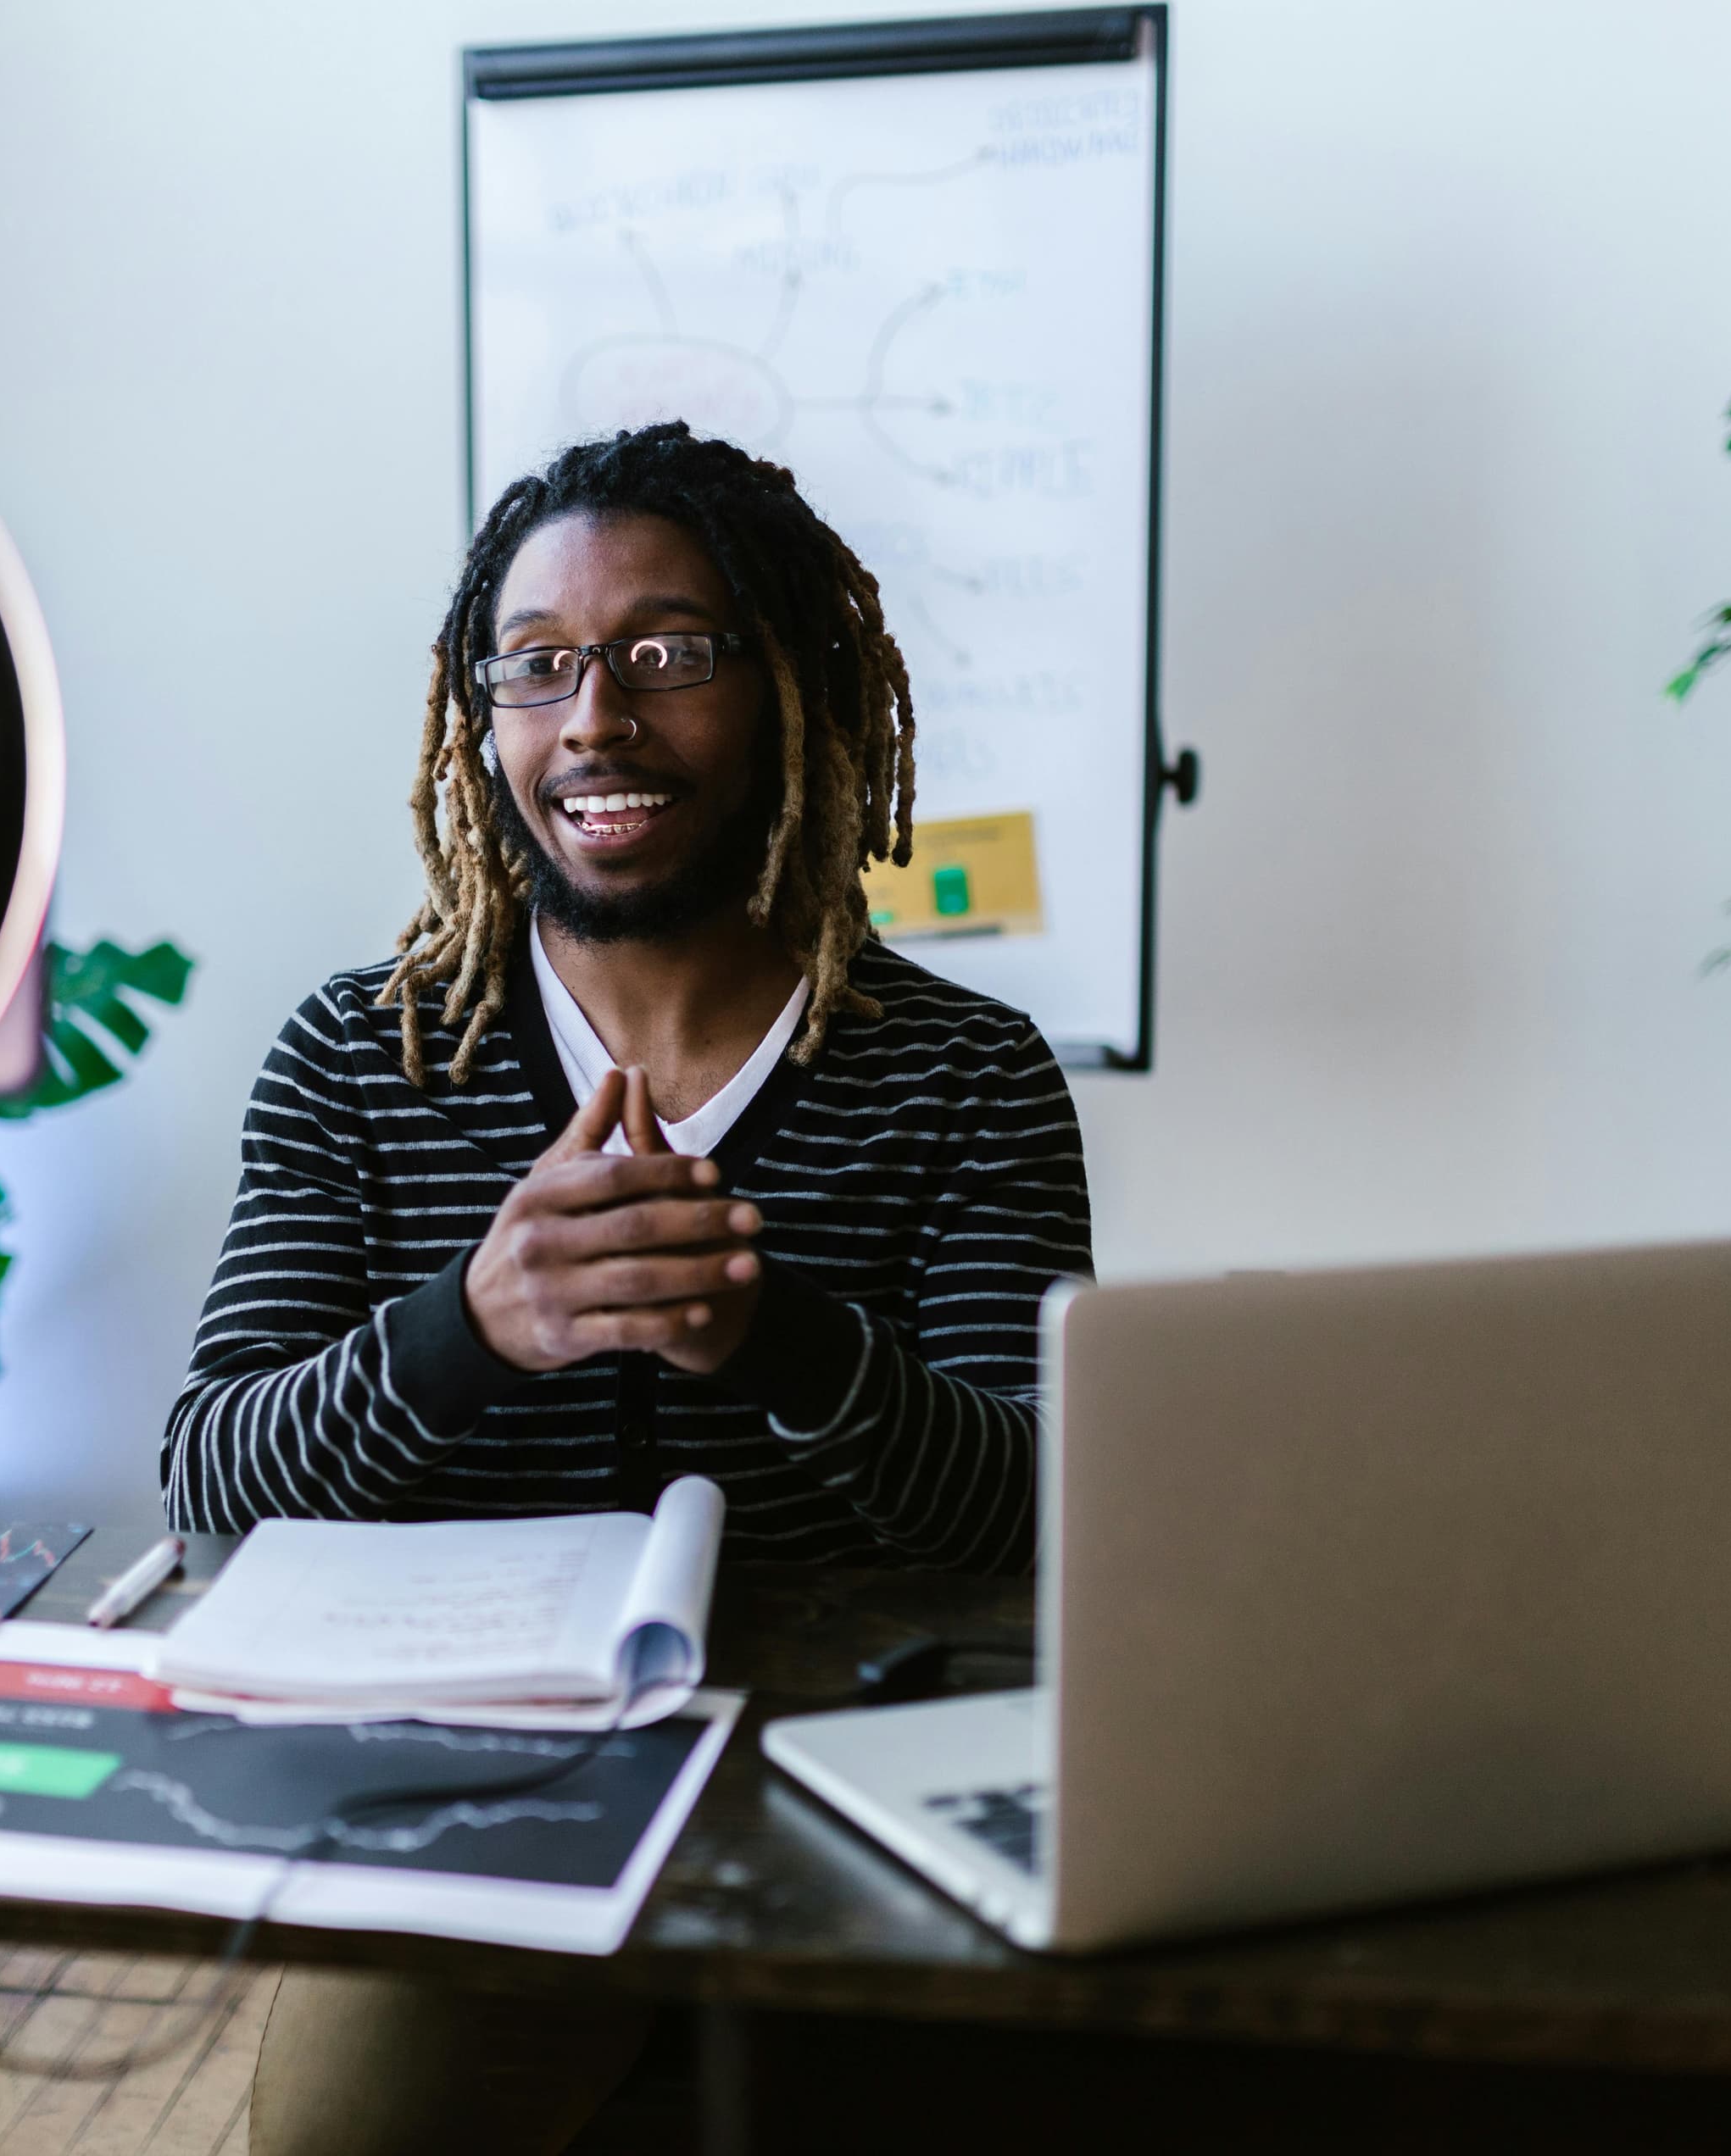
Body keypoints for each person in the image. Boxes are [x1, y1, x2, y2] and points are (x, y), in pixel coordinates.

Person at [160, 423, 1094, 2156]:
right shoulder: (359, 1062)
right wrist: (473, 1326)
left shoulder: (965, 1076)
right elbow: (216, 1473)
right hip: (471, 1801)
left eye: (670, 652)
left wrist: (778, 1333)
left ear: (793, 689)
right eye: (541, 665)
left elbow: (1039, 1506)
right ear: (483, 714)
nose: (598, 716)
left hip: (863, 1795)